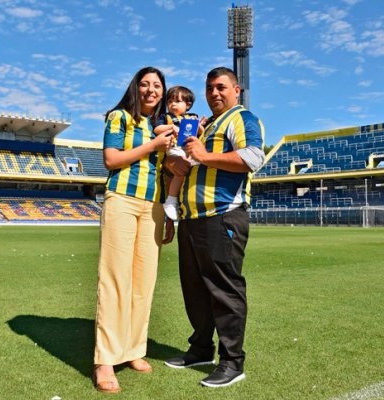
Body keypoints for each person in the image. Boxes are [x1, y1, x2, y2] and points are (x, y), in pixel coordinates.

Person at [164, 67, 265, 388]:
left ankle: (233, 362)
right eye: (209, 88)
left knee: (224, 289)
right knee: (194, 289)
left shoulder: (242, 118)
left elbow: (253, 157)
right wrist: (178, 162)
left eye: (221, 87)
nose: (214, 93)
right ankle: (201, 349)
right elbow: (189, 160)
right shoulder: (205, 125)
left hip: (223, 216)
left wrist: (205, 156)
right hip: (192, 218)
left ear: (237, 90)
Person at [94, 66, 175, 394]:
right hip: (122, 200)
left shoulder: (164, 126)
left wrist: (169, 214)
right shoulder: (119, 118)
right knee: (115, 280)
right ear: (135, 88)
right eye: (145, 84)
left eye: (157, 86)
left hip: (153, 206)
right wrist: (154, 144)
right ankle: (105, 359)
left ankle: (133, 350)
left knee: (144, 282)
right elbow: (111, 160)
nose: (151, 90)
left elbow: (167, 173)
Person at [154, 85, 205, 220]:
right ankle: (171, 200)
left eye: (177, 101)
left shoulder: (192, 117)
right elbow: (157, 129)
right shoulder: (165, 117)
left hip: (189, 150)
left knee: (199, 166)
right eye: (170, 101)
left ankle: (189, 198)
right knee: (180, 170)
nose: (172, 104)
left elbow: (201, 132)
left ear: (187, 105)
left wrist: (200, 126)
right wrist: (172, 127)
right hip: (175, 150)